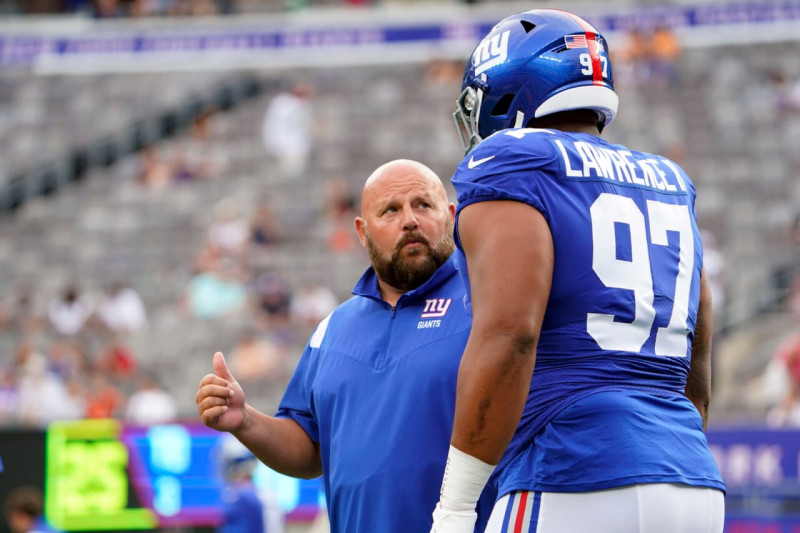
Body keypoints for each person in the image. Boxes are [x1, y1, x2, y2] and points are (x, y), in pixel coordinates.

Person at [430, 9, 725, 533]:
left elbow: (511, 334)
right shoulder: (670, 179)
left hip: (572, 467)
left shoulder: (513, 159)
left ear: (507, 91)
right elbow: (697, 356)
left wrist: (455, 506)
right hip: (691, 480)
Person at [196, 159, 493, 533]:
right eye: (390, 210)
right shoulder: (332, 330)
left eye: (423, 205)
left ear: (450, 216)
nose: (409, 220)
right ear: (362, 232)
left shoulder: (488, 303)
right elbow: (309, 450)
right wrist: (246, 421)